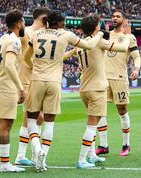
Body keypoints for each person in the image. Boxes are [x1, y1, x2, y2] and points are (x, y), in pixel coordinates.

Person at [23, 10, 104, 172]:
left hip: (37, 79)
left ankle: (36, 147)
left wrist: (36, 68)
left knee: (31, 119)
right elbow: (89, 45)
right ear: (59, 23)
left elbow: (26, 58)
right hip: (54, 81)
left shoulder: (37, 34)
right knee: (49, 121)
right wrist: (100, 34)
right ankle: (43, 157)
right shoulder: (66, 35)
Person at [75, 14, 132, 169]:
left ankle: (92, 155)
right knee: (92, 125)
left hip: (84, 87)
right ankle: (81, 159)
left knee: (93, 121)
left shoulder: (79, 43)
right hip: (97, 88)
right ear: (95, 27)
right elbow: (122, 48)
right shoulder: (98, 41)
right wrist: (127, 35)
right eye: (98, 24)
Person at [0, 9, 26, 172]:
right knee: (6, 125)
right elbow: (8, 65)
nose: (24, 24)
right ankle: (6, 164)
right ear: (18, 23)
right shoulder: (14, 40)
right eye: (22, 21)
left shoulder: (2, 38)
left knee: (3, 123)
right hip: (4, 86)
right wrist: (20, 88)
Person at [96, 10, 141, 156]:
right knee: (100, 111)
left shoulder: (129, 37)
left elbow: (136, 56)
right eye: (113, 16)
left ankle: (126, 144)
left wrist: (136, 68)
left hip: (120, 78)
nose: (114, 18)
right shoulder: (105, 34)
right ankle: (103, 145)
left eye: (118, 16)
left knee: (122, 111)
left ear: (124, 20)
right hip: (103, 78)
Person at [15, 7, 50, 166]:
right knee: (31, 118)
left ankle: (29, 153)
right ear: (43, 19)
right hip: (26, 80)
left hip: (37, 80)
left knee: (37, 118)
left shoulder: (43, 35)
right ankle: (23, 155)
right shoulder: (25, 32)